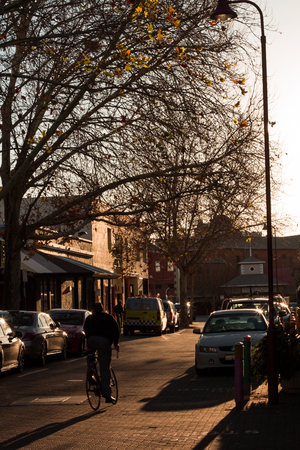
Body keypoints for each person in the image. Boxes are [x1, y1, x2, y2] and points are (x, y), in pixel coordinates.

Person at [84, 302, 120, 404]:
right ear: (102, 309)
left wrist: (88, 342)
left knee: (90, 357)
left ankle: (90, 372)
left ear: (93, 310)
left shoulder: (89, 318)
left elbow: (86, 330)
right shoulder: (108, 318)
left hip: (91, 340)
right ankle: (107, 395)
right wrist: (115, 344)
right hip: (104, 342)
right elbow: (116, 330)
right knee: (104, 368)